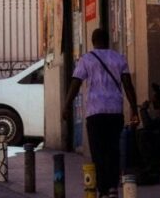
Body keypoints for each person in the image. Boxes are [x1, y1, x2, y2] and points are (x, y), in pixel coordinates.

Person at [62, 28, 139, 198]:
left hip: (95, 112)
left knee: (98, 151)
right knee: (113, 150)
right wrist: (134, 108)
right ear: (108, 40)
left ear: (93, 41)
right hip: (115, 111)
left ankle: (103, 190)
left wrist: (66, 105)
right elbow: (128, 85)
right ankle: (112, 188)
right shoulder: (119, 58)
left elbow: (76, 83)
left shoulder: (86, 59)